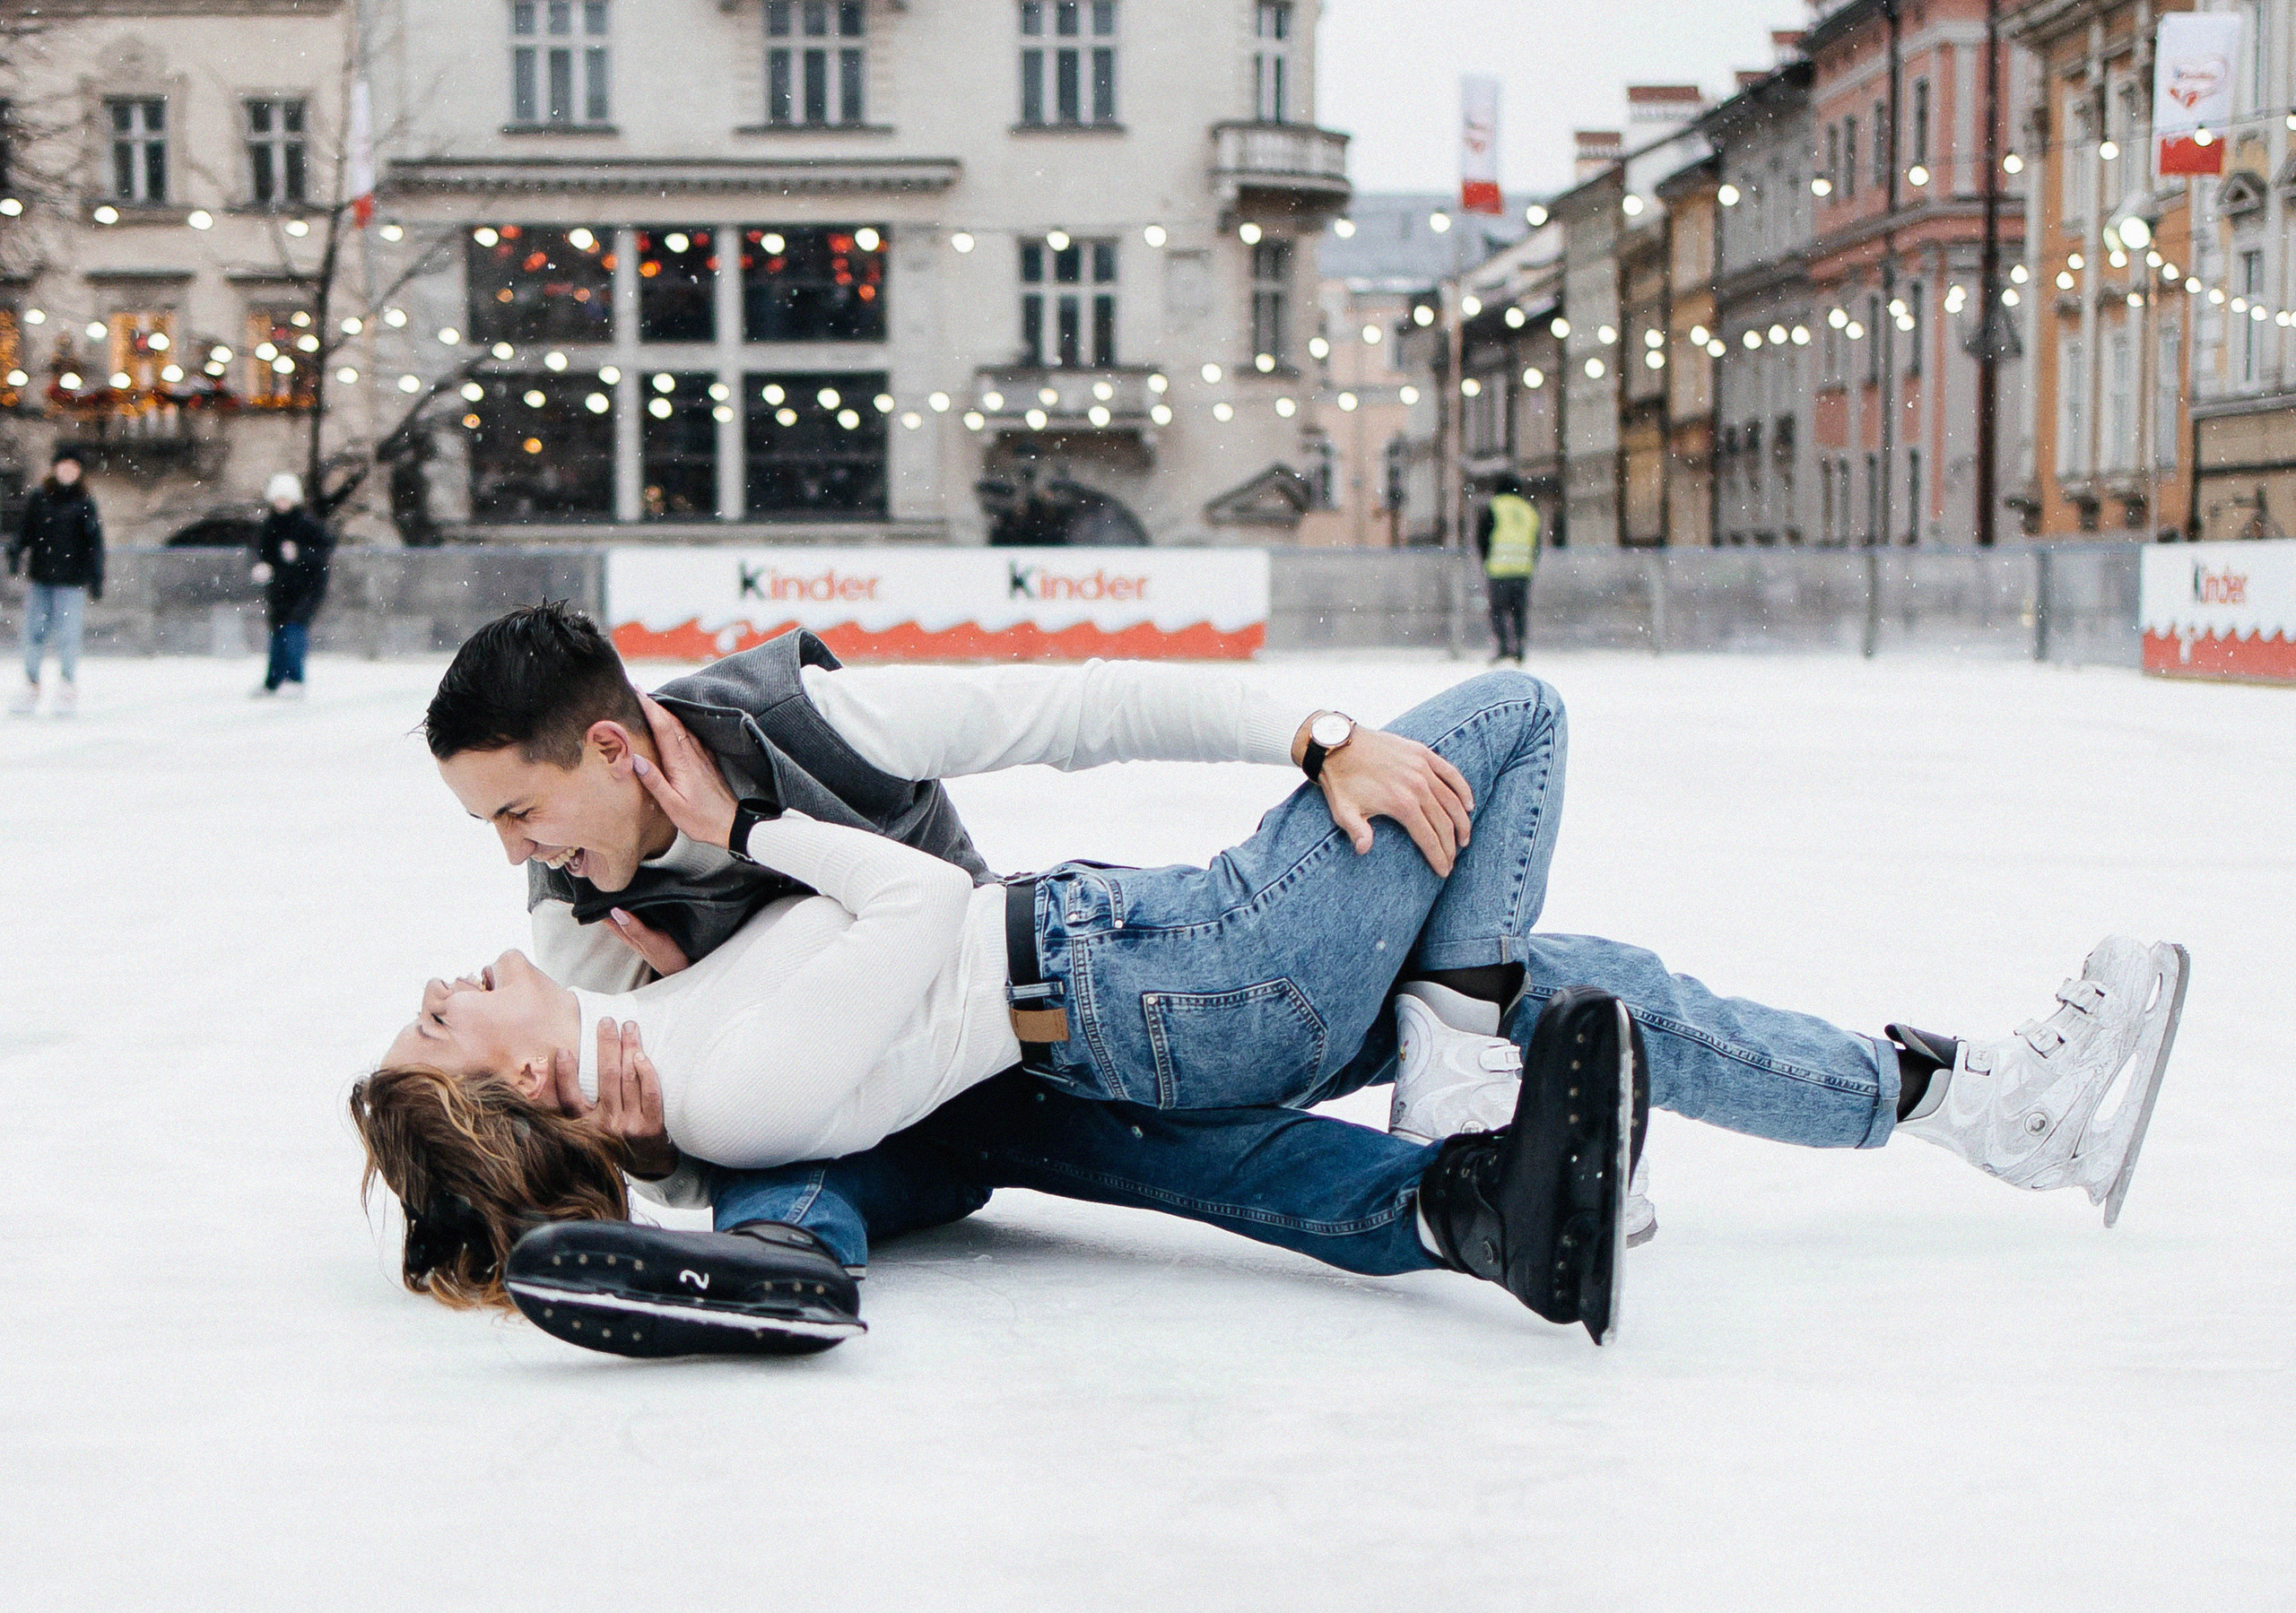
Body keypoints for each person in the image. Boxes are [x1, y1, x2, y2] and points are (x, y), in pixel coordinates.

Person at [351, 643, 2189, 1359]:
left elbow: (1081, 706)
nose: (512, 864)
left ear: (611, 749)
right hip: (1067, 1000)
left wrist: (1316, 740)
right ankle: (1461, 1134)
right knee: (1509, 740)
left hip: (1067, 991)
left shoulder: (809, 720)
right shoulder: (572, 929)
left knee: (1574, 982)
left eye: (518, 810)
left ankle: (1957, 1100)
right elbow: (668, 1096)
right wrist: (617, 1172)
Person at [8, 449, 103, 715]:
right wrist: (15, 553)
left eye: (73, 467)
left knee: (68, 635)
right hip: (41, 578)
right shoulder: (39, 498)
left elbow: (94, 543)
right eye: (64, 465)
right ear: (55, 468)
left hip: (72, 581)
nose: (67, 471)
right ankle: (31, 683)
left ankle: (67, 685)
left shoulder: (85, 502)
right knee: (33, 633)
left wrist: (96, 577)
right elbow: (26, 531)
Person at [252, 470, 332, 695]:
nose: (281, 503)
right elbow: (262, 552)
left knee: (293, 629)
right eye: (278, 498)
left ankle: (295, 679)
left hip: (307, 588)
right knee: (278, 632)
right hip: (280, 589)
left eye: (285, 498)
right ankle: (274, 681)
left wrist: (300, 554)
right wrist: (262, 565)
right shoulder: (270, 525)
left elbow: (323, 553)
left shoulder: (307, 524)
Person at [1477, 473, 1539, 663]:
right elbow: (1536, 542)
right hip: (1523, 570)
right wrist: (1530, 563)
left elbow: (1483, 538)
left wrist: (1486, 560)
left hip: (1499, 570)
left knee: (1498, 610)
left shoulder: (1494, 507)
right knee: (1519, 611)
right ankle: (1519, 646)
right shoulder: (1528, 509)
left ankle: (1503, 645)